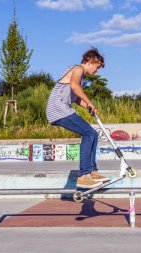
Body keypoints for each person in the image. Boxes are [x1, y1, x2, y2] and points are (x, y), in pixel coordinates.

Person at [46, 47, 109, 188]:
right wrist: (90, 102)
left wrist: (88, 107)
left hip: (62, 109)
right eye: (97, 67)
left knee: (93, 134)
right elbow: (75, 87)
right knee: (88, 133)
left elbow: (75, 98)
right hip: (58, 110)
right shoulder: (78, 69)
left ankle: (91, 172)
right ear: (90, 61)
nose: (97, 71)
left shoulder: (78, 75)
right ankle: (84, 175)